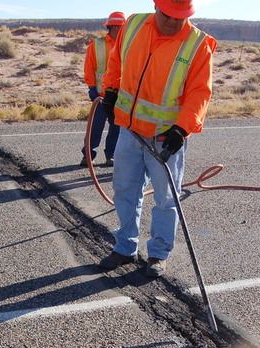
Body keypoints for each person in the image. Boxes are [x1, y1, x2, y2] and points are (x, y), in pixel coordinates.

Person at [97, 0, 217, 278]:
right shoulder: (134, 25)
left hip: (166, 137)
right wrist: (111, 88)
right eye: (168, 15)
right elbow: (116, 61)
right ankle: (125, 247)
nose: (173, 21)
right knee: (125, 191)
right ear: (156, 6)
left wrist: (182, 128)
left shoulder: (198, 43)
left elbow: (200, 92)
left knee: (165, 198)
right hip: (129, 130)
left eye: (180, 16)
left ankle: (159, 253)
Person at [80, 11, 125, 168]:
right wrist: (91, 87)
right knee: (95, 127)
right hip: (100, 95)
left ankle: (111, 156)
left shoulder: (127, 45)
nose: (123, 30)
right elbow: (89, 68)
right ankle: (88, 155)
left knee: (116, 128)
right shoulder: (97, 44)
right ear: (112, 27)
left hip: (119, 97)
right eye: (121, 27)